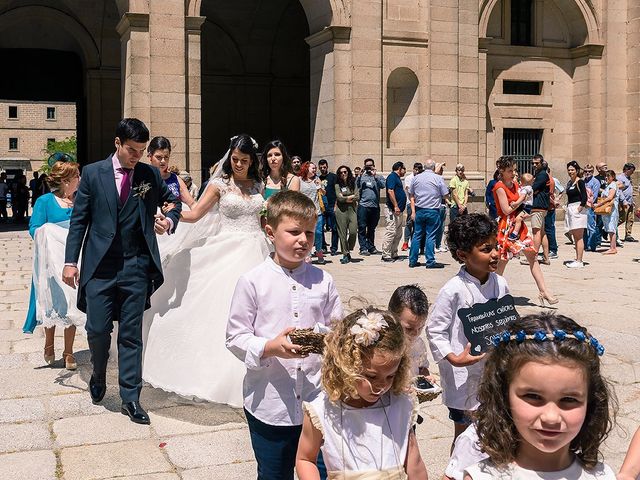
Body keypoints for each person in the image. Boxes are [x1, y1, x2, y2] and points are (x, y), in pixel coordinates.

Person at [62, 118, 181, 425]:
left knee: (131, 335)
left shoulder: (149, 175)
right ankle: (99, 372)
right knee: (98, 329)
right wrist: (70, 261)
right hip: (100, 266)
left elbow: (173, 201)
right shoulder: (91, 174)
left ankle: (131, 397)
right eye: (132, 150)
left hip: (136, 265)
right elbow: (79, 220)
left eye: (141, 151)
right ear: (117, 143)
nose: (136, 156)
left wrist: (168, 221)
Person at [142, 134, 269, 408]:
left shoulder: (259, 184)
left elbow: (262, 218)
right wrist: (169, 216)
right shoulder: (219, 185)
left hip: (258, 249)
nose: (237, 164)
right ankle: (221, 372)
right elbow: (196, 213)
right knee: (223, 307)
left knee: (262, 308)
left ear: (252, 161)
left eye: (244, 161)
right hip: (229, 249)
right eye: (234, 159)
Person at [225, 190, 342, 479]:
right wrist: (270, 347)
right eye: (293, 232)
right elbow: (235, 336)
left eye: (310, 233)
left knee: (321, 470)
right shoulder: (252, 282)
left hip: (317, 401)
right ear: (270, 232)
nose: (303, 240)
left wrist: (323, 338)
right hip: (270, 405)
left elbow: (338, 330)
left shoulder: (323, 281)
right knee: (274, 473)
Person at [465, 313, 615, 479]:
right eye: (533, 397)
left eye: (569, 399)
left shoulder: (603, 476)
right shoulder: (482, 477)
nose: (551, 418)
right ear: (503, 396)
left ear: (591, 402)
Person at [296, 308, 428, 479]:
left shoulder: (401, 406)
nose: (381, 385)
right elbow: (305, 458)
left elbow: (414, 462)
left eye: (390, 376)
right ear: (347, 365)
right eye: (371, 376)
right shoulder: (322, 411)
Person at [427, 213, 508, 447]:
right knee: (464, 436)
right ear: (463, 255)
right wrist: (454, 358)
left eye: (495, 246)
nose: (494, 254)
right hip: (462, 377)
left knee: (492, 430)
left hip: (493, 370)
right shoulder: (453, 290)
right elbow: (435, 330)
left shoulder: (500, 283)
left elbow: (506, 320)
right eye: (485, 249)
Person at [23, 159, 84, 371]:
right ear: (67, 181)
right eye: (77, 176)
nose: (80, 179)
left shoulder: (81, 201)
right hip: (50, 263)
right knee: (51, 302)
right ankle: (49, 343)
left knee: (72, 303)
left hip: (73, 260)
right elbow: (35, 228)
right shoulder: (44, 202)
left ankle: (69, 351)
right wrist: (50, 232)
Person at [408, 158, 449, 269]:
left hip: (419, 209)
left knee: (417, 235)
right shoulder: (438, 178)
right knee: (430, 236)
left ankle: (412, 260)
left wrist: (413, 211)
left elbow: (411, 194)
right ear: (433, 167)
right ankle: (430, 261)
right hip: (432, 210)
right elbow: (445, 194)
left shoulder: (416, 178)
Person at [388, 284, 433, 380]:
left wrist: (426, 377)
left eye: (420, 328)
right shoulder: (384, 347)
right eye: (409, 328)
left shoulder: (418, 344)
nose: (415, 333)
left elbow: (422, 368)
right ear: (392, 318)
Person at [147, 136, 196, 209]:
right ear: (150, 156)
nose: (163, 161)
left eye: (166, 157)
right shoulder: (143, 176)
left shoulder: (175, 179)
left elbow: (192, 204)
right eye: (159, 157)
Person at [298, 161, 326, 264]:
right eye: (312, 168)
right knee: (306, 234)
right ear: (306, 169)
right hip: (304, 212)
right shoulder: (299, 180)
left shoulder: (317, 179)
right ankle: (307, 254)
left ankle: (319, 252)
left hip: (317, 211)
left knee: (318, 233)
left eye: (315, 168)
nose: (315, 170)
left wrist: (319, 186)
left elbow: (323, 193)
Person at [356, 158, 385, 256]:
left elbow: (383, 185)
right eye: (367, 166)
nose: (369, 168)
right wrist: (359, 175)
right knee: (362, 227)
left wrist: (375, 176)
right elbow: (356, 186)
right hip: (363, 206)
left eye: (370, 165)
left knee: (372, 228)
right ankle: (363, 248)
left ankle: (371, 247)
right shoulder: (362, 177)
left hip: (374, 207)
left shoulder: (378, 176)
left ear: (373, 165)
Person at [564, 161, 588, 268]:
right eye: (569, 170)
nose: (570, 172)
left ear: (577, 170)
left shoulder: (580, 182)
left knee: (578, 237)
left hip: (577, 209)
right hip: (571, 208)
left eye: (572, 170)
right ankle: (578, 258)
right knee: (575, 236)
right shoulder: (570, 183)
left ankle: (579, 261)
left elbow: (584, 197)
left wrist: (579, 208)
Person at [381, 161, 407, 262]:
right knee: (391, 231)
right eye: (404, 169)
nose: (405, 171)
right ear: (400, 168)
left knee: (398, 233)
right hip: (392, 210)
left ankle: (393, 252)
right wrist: (396, 206)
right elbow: (390, 191)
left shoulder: (398, 178)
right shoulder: (392, 177)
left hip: (399, 211)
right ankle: (385, 254)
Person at [334, 165, 359, 264]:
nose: (343, 174)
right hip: (341, 211)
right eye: (340, 173)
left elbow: (357, 196)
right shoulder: (337, 185)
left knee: (353, 232)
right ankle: (345, 253)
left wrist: (345, 198)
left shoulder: (353, 183)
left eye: (345, 172)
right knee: (342, 234)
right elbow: (339, 198)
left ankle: (348, 249)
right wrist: (350, 197)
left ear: (348, 172)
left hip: (352, 210)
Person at [528, 154, 551, 263]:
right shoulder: (540, 174)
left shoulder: (542, 175)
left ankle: (533, 257)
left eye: (537, 163)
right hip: (541, 207)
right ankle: (546, 257)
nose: (534, 165)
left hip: (538, 206)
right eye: (533, 163)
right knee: (542, 232)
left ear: (542, 163)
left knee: (536, 232)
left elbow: (532, 189)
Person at [593, 169, 619, 255]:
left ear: (613, 177)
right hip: (608, 211)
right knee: (609, 228)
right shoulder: (608, 185)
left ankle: (613, 248)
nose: (607, 177)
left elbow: (610, 197)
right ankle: (612, 247)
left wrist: (599, 204)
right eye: (606, 176)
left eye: (609, 176)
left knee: (611, 228)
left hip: (611, 210)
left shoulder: (612, 185)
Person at [318, 159, 338, 255]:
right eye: (321, 167)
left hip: (332, 205)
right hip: (322, 206)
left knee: (334, 228)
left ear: (327, 166)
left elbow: (337, 192)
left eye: (324, 167)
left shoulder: (333, 177)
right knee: (320, 228)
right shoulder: (317, 178)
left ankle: (334, 248)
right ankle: (323, 247)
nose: (323, 169)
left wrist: (336, 205)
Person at [402, 162, 423, 251]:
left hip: (420, 203)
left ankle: (415, 243)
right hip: (410, 203)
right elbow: (409, 190)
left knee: (417, 225)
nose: (417, 172)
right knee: (409, 223)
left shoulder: (422, 178)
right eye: (416, 170)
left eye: (419, 170)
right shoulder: (409, 178)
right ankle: (405, 242)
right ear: (413, 169)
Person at [507, 172, 533, 241]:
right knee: (518, 219)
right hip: (525, 206)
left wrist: (516, 203)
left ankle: (514, 234)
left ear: (523, 182)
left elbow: (522, 197)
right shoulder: (528, 188)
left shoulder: (525, 189)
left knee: (518, 219)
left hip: (526, 207)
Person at [617, 162, 636, 242]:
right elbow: (619, 190)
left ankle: (628, 235)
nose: (633, 172)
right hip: (623, 202)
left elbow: (629, 190)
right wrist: (624, 201)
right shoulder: (620, 178)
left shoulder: (629, 178)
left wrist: (632, 200)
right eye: (631, 171)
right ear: (626, 170)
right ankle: (607, 229)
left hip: (630, 202)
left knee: (630, 219)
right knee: (622, 218)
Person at [584, 164, 601, 252]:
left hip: (590, 206)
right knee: (584, 227)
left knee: (591, 226)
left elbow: (594, 196)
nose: (587, 173)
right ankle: (585, 244)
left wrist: (588, 203)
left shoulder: (595, 182)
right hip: (583, 206)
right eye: (586, 171)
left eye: (589, 171)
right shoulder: (584, 181)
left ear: (593, 172)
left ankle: (592, 245)